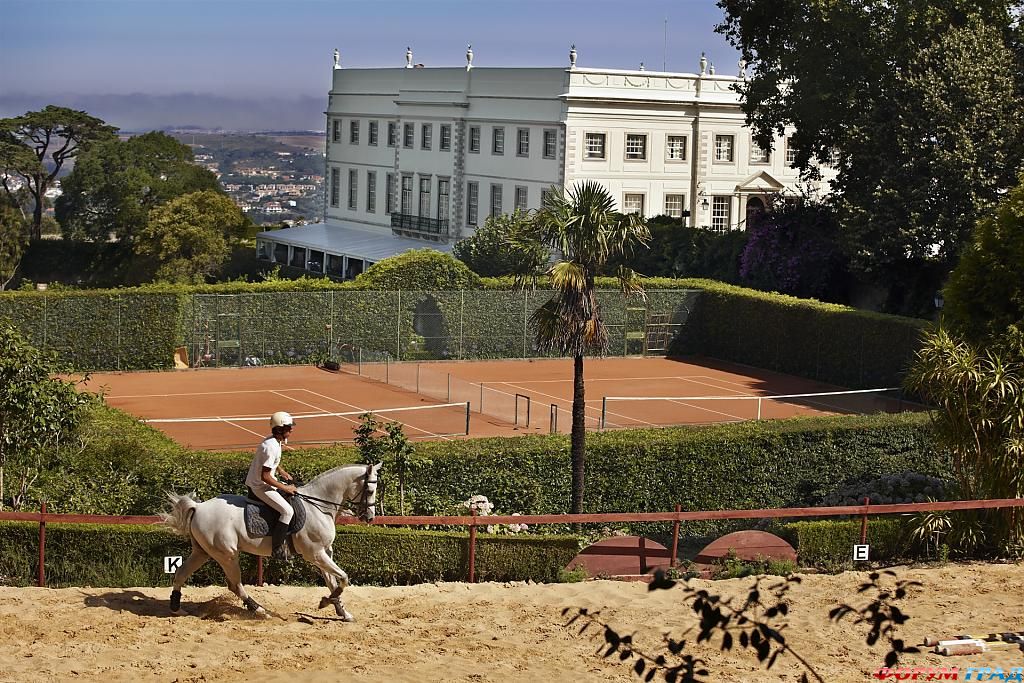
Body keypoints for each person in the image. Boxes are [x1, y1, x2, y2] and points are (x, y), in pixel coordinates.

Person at [245, 411, 298, 560]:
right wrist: (285, 487)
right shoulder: (271, 447)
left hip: (262, 482)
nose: (291, 429)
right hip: (259, 487)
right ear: (280, 429)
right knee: (287, 512)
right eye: (288, 427)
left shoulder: (274, 441)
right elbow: (265, 476)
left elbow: (271, 464)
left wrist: (281, 471)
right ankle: (277, 549)